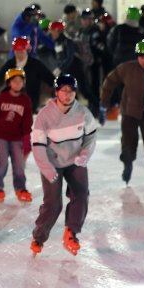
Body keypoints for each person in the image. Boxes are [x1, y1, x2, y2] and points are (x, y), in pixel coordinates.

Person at [30, 75, 97, 256]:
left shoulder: (83, 113)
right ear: (56, 92)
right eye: (64, 91)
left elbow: (91, 137)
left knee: (81, 194)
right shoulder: (45, 115)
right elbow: (37, 145)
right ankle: (39, 237)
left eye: (71, 91)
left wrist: (84, 155)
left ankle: (71, 233)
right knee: (53, 204)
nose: (67, 95)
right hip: (52, 163)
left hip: (75, 161)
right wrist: (47, 169)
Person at [101, 40, 144, 186]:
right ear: (137, 56)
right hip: (130, 112)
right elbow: (110, 80)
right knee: (128, 142)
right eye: (141, 57)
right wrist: (104, 101)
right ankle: (127, 165)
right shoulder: (127, 68)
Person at [0, 68, 34, 203]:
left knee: (19, 164)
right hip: (1, 135)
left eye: (20, 81)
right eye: (15, 81)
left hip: (17, 137)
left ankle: (20, 188)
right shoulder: (2, 97)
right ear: (9, 83)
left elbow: (27, 122)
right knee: (2, 162)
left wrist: (27, 141)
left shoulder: (25, 100)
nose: (18, 84)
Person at [0, 36, 55, 111]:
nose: (19, 54)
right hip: (12, 105)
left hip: (31, 105)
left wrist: (60, 88)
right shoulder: (10, 65)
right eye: (17, 51)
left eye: (21, 51)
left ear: (27, 50)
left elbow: (50, 78)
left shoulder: (36, 65)